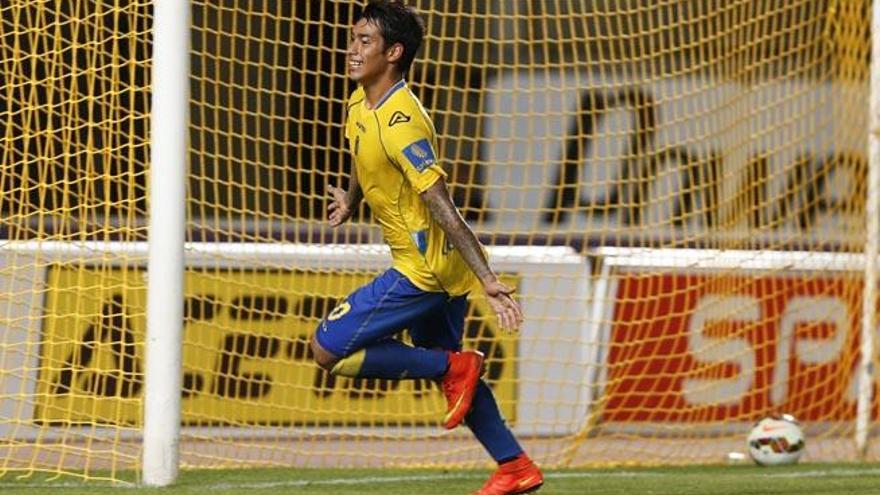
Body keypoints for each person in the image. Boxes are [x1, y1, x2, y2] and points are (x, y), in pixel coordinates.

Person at [308, 1, 544, 494]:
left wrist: (489, 280)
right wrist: (351, 199)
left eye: (365, 42)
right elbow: (362, 149)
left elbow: (443, 206)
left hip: (424, 271)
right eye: (353, 39)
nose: (352, 50)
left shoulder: (404, 120)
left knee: (327, 349)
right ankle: (515, 466)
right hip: (429, 267)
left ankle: (454, 366)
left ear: (393, 53)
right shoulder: (359, 103)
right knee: (453, 379)